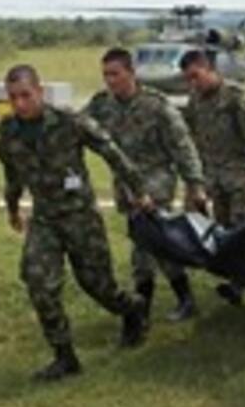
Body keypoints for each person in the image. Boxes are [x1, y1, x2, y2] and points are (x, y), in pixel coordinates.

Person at [0, 64, 150, 382]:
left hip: (80, 218)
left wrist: (140, 190)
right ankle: (65, 358)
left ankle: (133, 308)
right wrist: (12, 208)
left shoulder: (69, 121)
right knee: (39, 282)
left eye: (25, 95)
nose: (20, 103)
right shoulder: (8, 131)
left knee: (98, 287)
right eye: (13, 98)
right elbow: (12, 175)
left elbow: (111, 151)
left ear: (40, 92)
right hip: (45, 220)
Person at [83, 48, 208, 323]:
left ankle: (142, 309)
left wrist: (195, 184)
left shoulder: (156, 105)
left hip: (156, 183)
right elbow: (79, 125)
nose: (110, 80)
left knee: (143, 246)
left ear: (131, 73)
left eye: (115, 74)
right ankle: (185, 299)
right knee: (159, 245)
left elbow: (182, 147)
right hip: (126, 185)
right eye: (106, 75)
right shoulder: (103, 104)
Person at [179, 49, 245, 305]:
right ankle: (235, 280)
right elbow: (192, 137)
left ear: (209, 69)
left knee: (242, 231)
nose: (193, 83)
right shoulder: (195, 100)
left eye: (196, 76)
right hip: (214, 177)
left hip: (240, 177)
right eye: (188, 79)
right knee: (223, 229)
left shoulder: (237, 98)